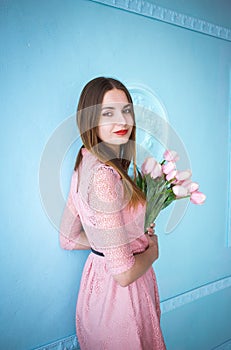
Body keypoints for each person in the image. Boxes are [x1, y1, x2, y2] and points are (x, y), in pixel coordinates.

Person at [59, 77, 166, 349]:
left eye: (126, 110)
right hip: (121, 302)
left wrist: (119, 240)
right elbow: (124, 274)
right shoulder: (105, 176)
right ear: (91, 119)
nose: (122, 122)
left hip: (96, 293)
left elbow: (68, 239)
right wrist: (152, 253)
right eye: (108, 113)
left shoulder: (85, 161)